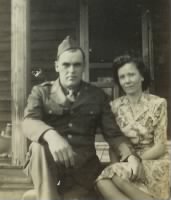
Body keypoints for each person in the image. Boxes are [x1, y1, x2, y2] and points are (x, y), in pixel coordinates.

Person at [22, 37, 142, 200]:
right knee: (38, 147)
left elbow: (113, 134)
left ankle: (44, 195)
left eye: (77, 65)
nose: (71, 70)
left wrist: (130, 156)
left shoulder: (97, 96)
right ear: (57, 66)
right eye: (66, 65)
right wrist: (51, 135)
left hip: (83, 171)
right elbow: (29, 122)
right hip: (48, 169)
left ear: (83, 67)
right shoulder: (41, 92)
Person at [96, 54, 170, 200]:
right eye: (122, 77)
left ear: (142, 76)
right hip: (126, 163)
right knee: (102, 182)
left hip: (153, 161)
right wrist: (116, 166)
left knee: (115, 177)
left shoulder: (158, 103)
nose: (127, 81)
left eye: (131, 75)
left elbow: (160, 146)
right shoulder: (115, 106)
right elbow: (114, 144)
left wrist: (135, 160)